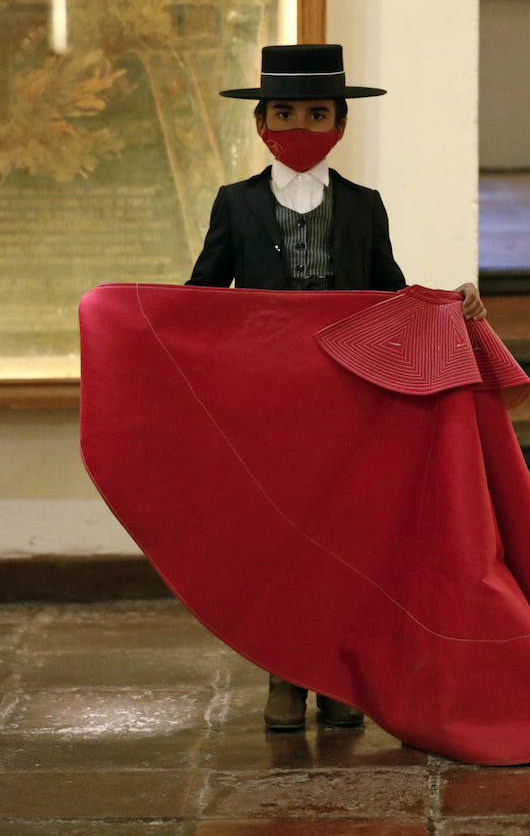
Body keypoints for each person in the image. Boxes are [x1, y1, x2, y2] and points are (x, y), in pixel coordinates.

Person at [186, 42, 485, 731]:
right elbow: (203, 296)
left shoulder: (363, 205)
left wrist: (448, 302)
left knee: (346, 539)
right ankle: (286, 675)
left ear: (341, 123)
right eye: (285, 112)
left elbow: (390, 293)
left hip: (349, 399)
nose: (300, 127)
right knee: (280, 539)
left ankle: (340, 674)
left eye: (316, 113)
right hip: (270, 404)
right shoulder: (235, 204)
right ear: (261, 120)